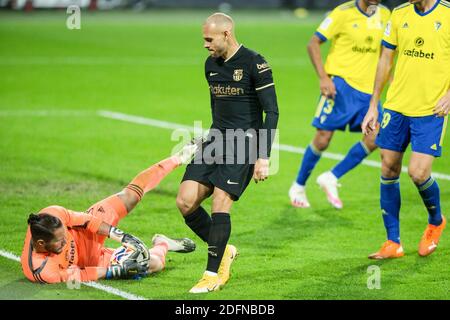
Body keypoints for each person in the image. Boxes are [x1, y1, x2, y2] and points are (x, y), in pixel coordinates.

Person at [176, 13, 279, 293]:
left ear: (227, 33)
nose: (205, 45)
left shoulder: (255, 63)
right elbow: (217, 108)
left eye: (209, 39)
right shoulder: (210, 65)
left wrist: (264, 156)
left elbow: (272, 111)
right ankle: (225, 249)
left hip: (244, 143)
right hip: (216, 140)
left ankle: (212, 274)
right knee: (185, 201)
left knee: (220, 202)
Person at [21, 142, 200, 283]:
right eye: (60, 241)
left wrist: (122, 237)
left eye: (65, 235)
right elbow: (80, 275)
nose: (65, 240)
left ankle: (178, 157)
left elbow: (86, 220)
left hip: (88, 232)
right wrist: (113, 271)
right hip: (92, 261)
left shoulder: (52, 214)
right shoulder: (42, 270)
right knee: (151, 264)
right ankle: (163, 243)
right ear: (42, 243)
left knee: (129, 197)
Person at [362, 0, 449, 259]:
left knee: (418, 173)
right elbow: (385, 58)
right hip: (397, 106)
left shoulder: (447, 14)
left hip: (431, 110)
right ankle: (393, 242)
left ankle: (436, 221)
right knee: (388, 167)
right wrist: (374, 104)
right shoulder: (399, 14)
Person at [289, 0, 391, 209]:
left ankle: (332, 176)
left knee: (375, 137)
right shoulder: (342, 13)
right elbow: (313, 43)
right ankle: (298, 186)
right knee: (323, 138)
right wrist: (324, 78)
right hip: (340, 86)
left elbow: (386, 52)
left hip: (368, 91)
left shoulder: (385, 15)